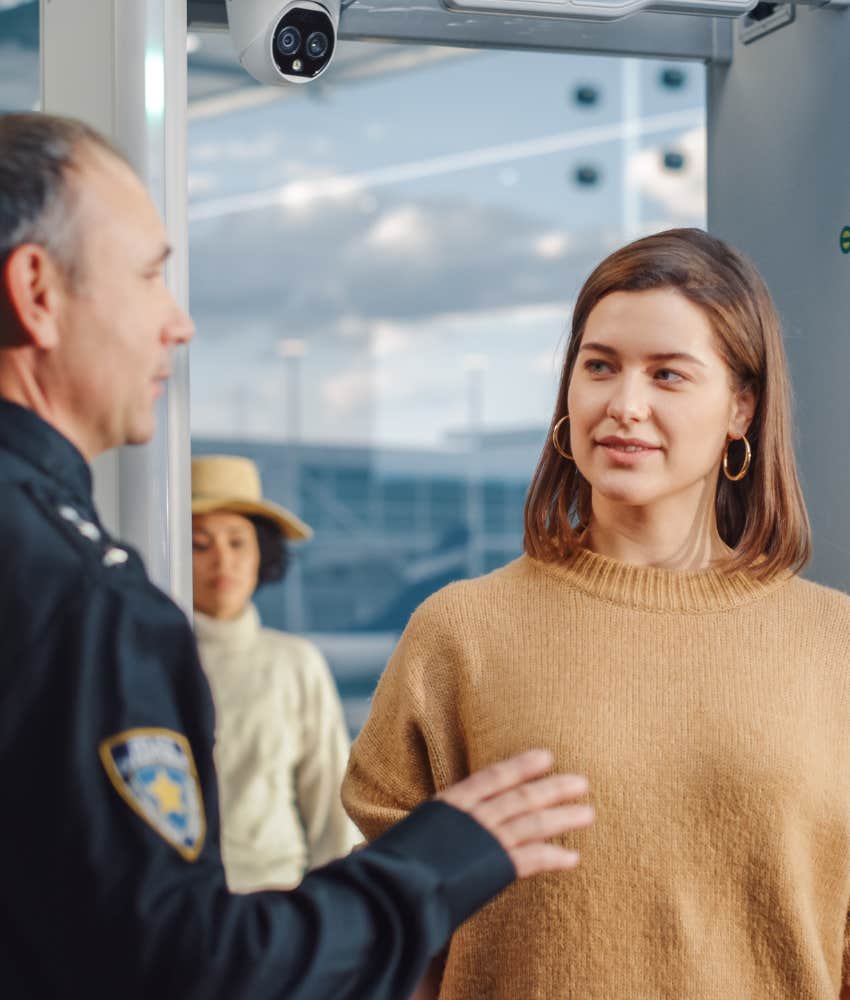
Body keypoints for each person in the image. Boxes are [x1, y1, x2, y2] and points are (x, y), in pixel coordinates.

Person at [0, 112, 596, 999]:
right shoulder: (85, 600)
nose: (181, 323)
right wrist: (438, 863)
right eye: (152, 275)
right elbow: (181, 969)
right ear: (38, 292)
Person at [342, 228, 850, 999]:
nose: (624, 405)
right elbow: (398, 939)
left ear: (742, 407)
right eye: (600, 366)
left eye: (669, 375)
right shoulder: (462, 633)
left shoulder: (834, 644)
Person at [190, 453, 359, 891]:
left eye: (237, 541)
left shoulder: (296, 663)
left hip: (278, 901)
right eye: (200, 544)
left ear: (262, 552)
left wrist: (337, 919)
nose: (221, 561)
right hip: (175, 903)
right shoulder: (145, 657)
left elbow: (329, 801)